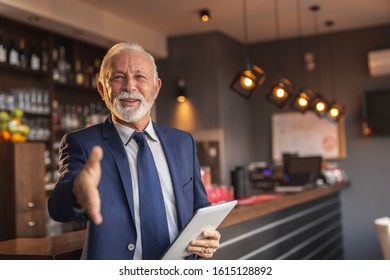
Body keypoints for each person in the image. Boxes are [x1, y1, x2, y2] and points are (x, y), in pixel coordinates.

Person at [47, 42, 221, 260]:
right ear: (102, 89)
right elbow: (57, 208)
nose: (130, 86)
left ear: (156, 88)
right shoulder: (81, 143)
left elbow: (200, 208)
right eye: (118, 77)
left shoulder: (183, 142)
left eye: (140, 77)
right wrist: (77, 192)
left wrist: (208, 237)